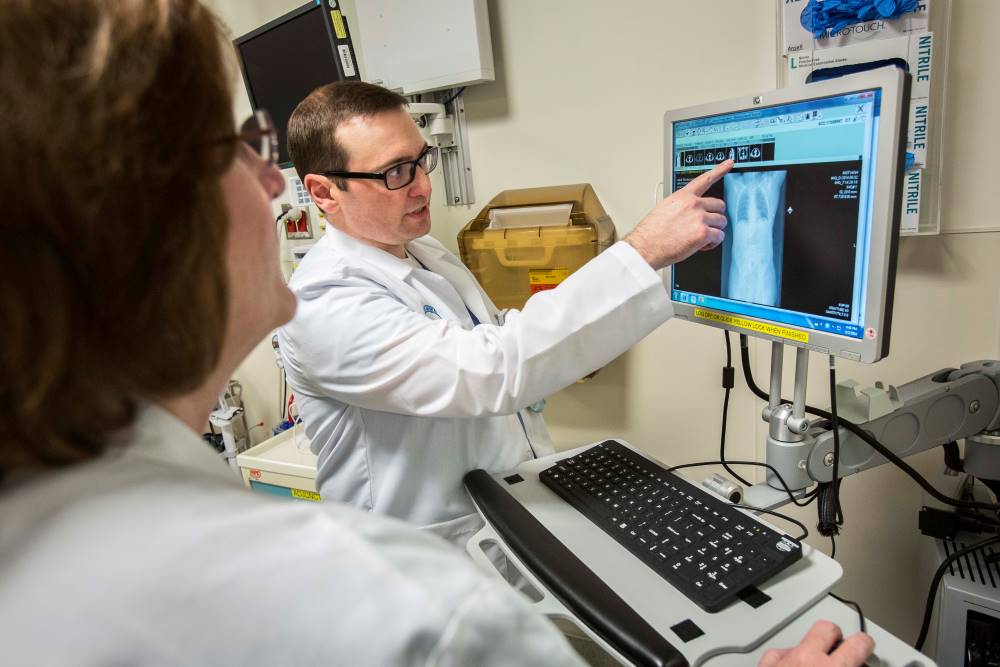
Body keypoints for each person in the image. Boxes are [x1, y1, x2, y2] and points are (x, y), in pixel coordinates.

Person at [279, 80, 733, 546]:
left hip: (495, 521)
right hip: (415, 560)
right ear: (323, 192)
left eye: (421, 160)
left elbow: (491, 337)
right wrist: (642, 252)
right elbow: (489, 371)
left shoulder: (422, 252)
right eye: (395, 172)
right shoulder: (323, 302)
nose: (423, 185)